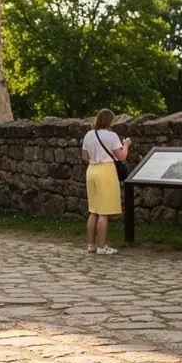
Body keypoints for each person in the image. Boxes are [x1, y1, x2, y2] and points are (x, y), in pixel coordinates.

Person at [81, 108, 130, 255]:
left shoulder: (89, 135)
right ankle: (102, 246)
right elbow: (121, 157)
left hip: (92, 170)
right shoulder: (112, 136)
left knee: (93, 210)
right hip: (106, 171)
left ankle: (91, 245)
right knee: (104, 212)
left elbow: (85, 157)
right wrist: (126, 145)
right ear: (109, 121)